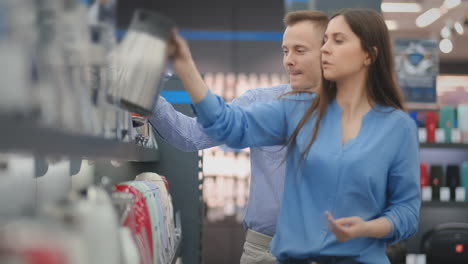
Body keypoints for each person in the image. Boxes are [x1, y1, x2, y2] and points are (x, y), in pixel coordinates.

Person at [169, 8, 420, 264]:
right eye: (325, 41)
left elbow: (407, 212)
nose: (325, 49)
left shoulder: (397, 128)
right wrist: (186, 68)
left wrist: (369, 228)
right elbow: (227, 126)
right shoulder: (292, 109)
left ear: (369, 54)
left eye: (337, 41)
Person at [151, 10, 328, 264]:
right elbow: (191, 136)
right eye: (285, 51)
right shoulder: (262, 102)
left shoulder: (353, 113)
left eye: (299, 50)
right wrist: (147, 98)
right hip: (262, 251)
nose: (288, 60)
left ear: (328, 51)